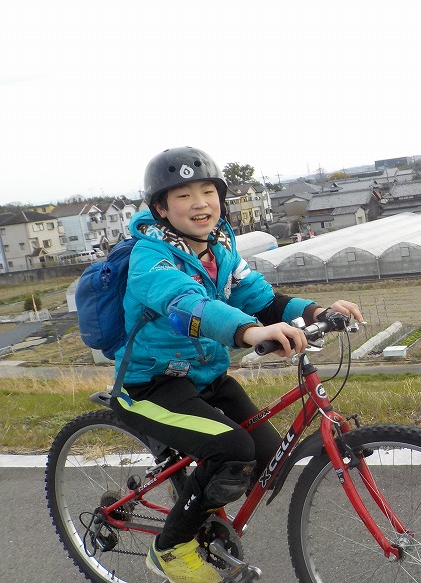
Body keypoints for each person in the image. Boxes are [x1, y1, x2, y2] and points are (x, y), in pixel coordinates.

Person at [111, 147, 363, 583]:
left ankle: (202, 515)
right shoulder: (151, 258)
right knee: (233, 451)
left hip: (207, 377)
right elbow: (187, 306)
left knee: (267, 458)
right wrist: (250, 332)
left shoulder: (221, 251)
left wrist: (318, 312)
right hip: (150, 385)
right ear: (161, 209)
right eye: (184, 195)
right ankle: (169, 549)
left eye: (208, 192)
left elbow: (263, 300)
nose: (200, 203)